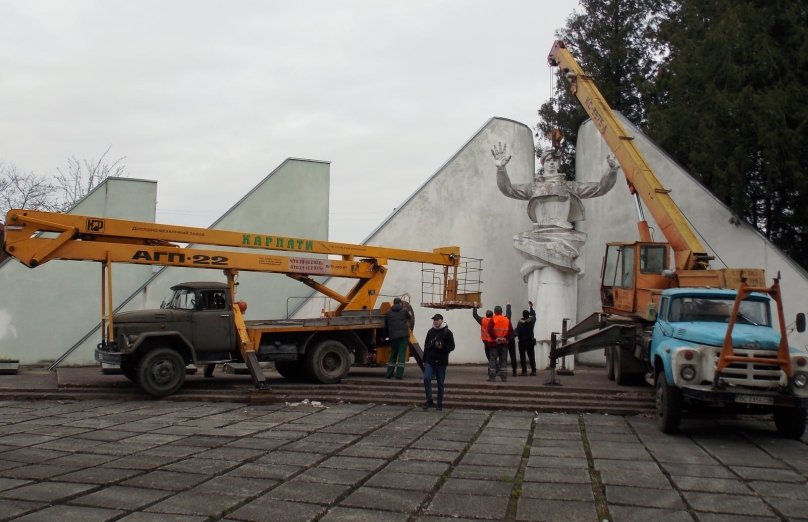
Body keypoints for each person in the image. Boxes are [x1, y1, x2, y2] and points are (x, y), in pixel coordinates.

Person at [492, 141, 618, 270]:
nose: (551, 163)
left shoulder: (569, 186)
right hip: (539, 235)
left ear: (558, 163)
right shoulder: (534, 187)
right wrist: (501, 169)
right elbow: (508, 190)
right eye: (548, 160)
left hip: (564, 235)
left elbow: (600, 188)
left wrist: (612, 171)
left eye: (554, 160)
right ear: (543, 163)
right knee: (519, 241)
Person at [422, 313, 455, 411]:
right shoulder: (430, 331)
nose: (435, 321)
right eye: (434, 320)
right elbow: (426, 345)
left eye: (437, 320)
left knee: (440, 383)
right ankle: (429, 399)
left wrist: (442, 347)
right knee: (426, 378)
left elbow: (452, 347)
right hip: (430, 360)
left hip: (441, 362)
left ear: (441, 320)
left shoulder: (447, 332)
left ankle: (439, 403)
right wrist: (425, 359)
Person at [384, 297, 414, 379]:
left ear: (393, 303)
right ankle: (399, 375)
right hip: (403, 336)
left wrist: (385, 336)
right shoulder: (404, 311)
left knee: (393, 354)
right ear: (400, 303)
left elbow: (386, 326)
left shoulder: (388, 313)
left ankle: (389, 374)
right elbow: (410, 317)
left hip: (393, 337)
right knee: (401, 355)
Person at [487, 305, 513, 382]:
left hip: (494, 343)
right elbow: (510, 331)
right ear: (501, 312)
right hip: (504, 344)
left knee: (493, 360)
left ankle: (492, 377)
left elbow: (489, 330)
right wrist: (505, 338)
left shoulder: (492, 319)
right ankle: (504, 377)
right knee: (503, 361)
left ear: (494, 312)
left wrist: (496, 338)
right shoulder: (506, 320)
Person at [515, 301, 537, 376]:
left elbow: (517, 331)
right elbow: (533, 315)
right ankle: (533, 371)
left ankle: (524, 371)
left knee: (522, 357)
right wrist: (531, 307)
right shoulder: (532, 321)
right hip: (530, 341)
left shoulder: (520, 322)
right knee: (531, 356)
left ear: (523, 315)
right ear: (528, 315)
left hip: (522, 342)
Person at [505, 303, 518, 377]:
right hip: (511, 339)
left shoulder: (502, 321)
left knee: (504, 356)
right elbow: (509, 313)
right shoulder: (508, 320)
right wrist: (508, 306)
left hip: (505, 340)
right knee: (513, 355)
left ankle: (503, 370)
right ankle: (514, 371)